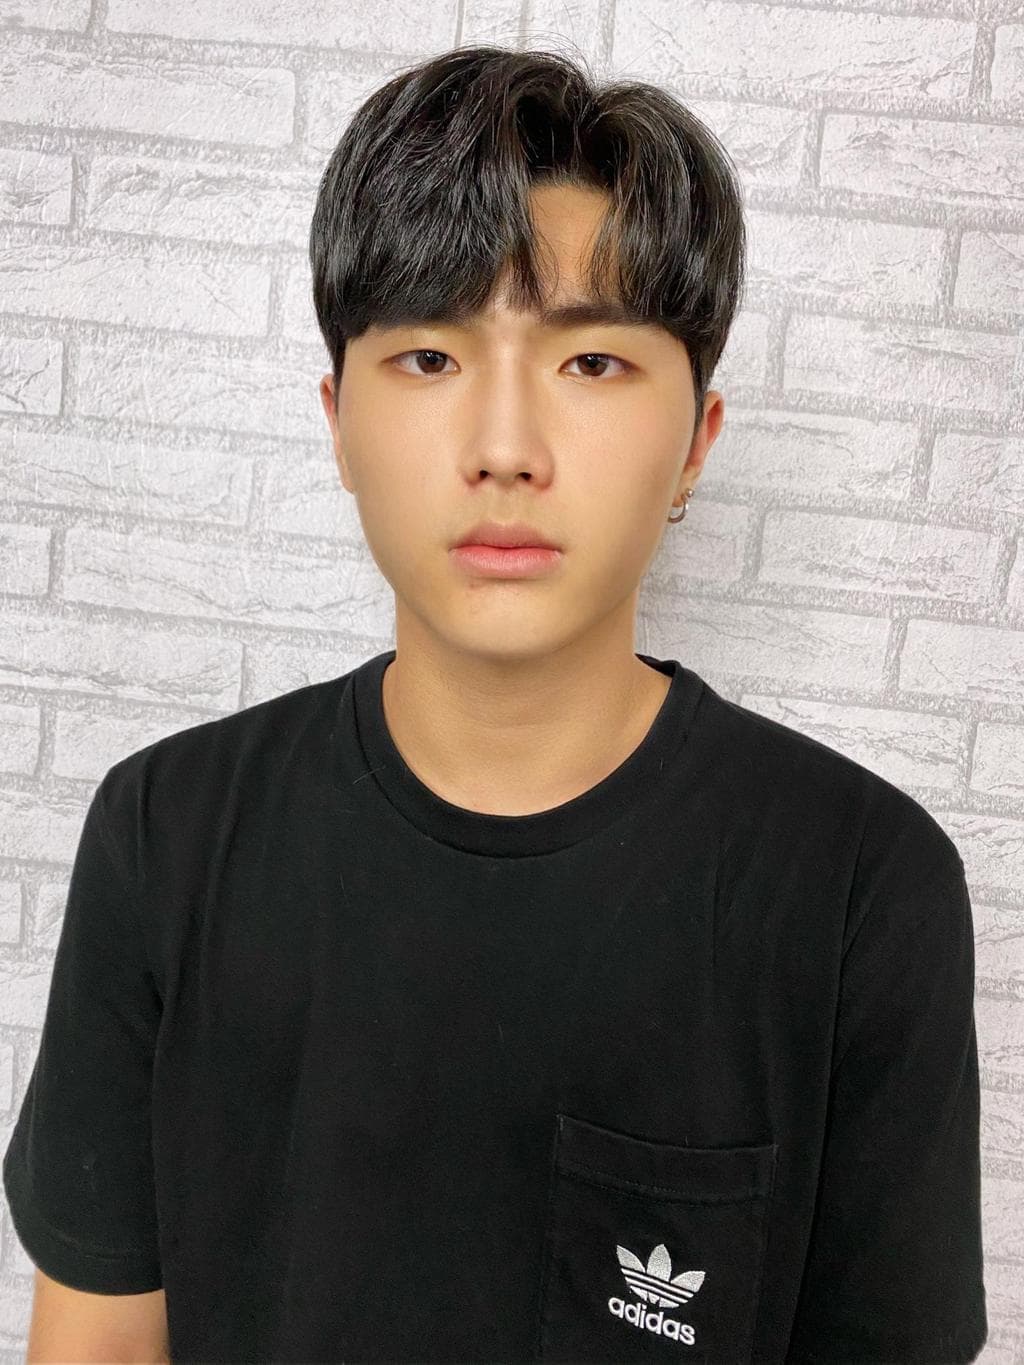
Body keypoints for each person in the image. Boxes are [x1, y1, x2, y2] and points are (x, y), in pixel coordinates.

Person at [3, 42, 987, 1364]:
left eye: (593, 364)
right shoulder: (167, 834)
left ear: (696, 443)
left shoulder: (861, 887)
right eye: (428, 356)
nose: (506, 448)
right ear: (337, 422)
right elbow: (99, 1342)